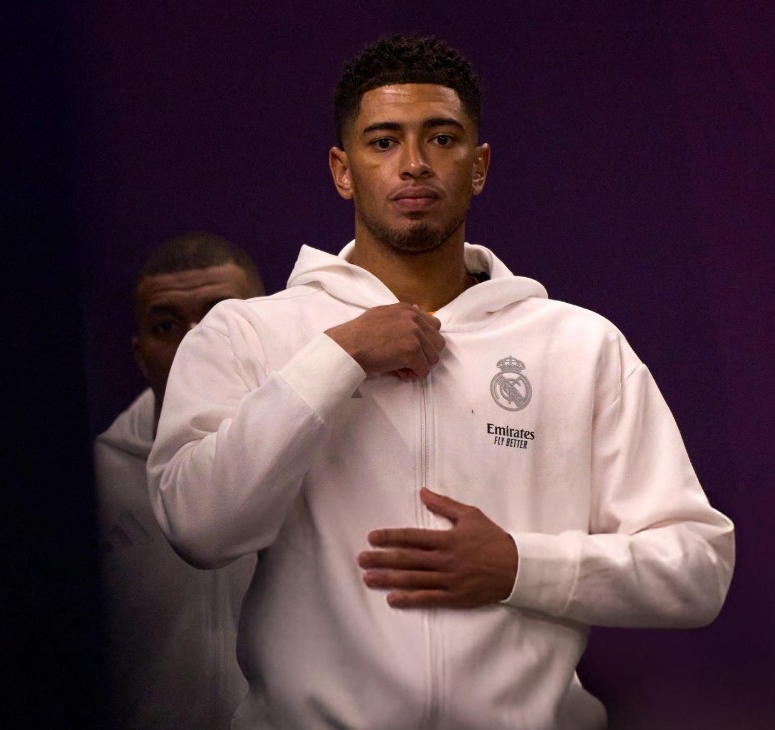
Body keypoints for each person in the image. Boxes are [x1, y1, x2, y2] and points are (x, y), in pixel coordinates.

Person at [146, 35, 735, 729]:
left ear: (478, 166)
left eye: (442, 138)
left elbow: (697, 568)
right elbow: (197, 527)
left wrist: (519, 566)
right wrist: (338, 356)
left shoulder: (578, 345)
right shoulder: (247, 333)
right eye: (383, 141)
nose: (415, 163)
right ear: (342, 170)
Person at [95, 232, 267, 729]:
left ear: (267, 329)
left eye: (221, 317)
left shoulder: (322, 455)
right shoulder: (96, 484)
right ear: (140, 354)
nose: (195, 344)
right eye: (166, 325)